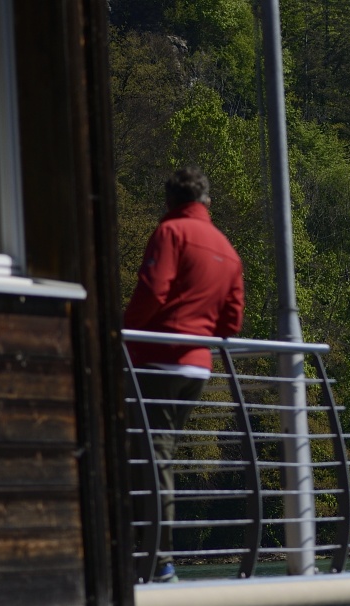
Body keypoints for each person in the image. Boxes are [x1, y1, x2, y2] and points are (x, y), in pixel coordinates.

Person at [122, 167, 245, 583]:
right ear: (206, 201)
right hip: (196, 366)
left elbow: (153, 291)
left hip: (156, 360)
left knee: (151, 457)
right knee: (157, 455)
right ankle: (148, 559)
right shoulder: (226, 249)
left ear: (169, 200)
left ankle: (157, 562)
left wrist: (122, 331)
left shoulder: (171, 232)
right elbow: (231, 322)